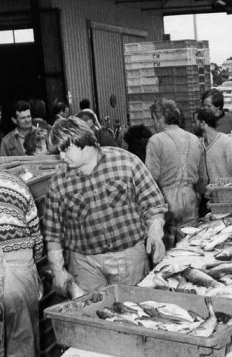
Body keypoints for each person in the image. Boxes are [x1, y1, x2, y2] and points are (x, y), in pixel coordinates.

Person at [42, 117, 166, 294]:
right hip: (85, 266)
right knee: (92, 315)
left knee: (135, 310)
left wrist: (155, 230)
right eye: (58, 152)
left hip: (130, 258)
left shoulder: (127, 162)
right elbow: (53, 233)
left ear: (82, 140)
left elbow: (153, 204)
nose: (61, 157)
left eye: (65, 149)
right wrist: (58, 269)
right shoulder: (59, 182)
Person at [0, 170, 44, 357]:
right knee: (23, 342)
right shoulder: (15, 182)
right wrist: (34, 267)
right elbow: (35, 234)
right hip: (18, 267)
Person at [146, 99, 203, 249]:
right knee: (191, 246)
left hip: (166, 199)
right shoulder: (195, 139)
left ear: (161, 118)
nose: (154, 124)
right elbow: (202, 176)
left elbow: (151, 178)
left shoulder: (155, 141)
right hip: (190, 196)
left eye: (154, 119)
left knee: (166, 249)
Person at [194, 108, 232, 186]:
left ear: (203, 123)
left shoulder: (226, 142)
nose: (193, 125)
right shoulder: (198, 144)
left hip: (225, 193)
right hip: (207, 195)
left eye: (195, 122)